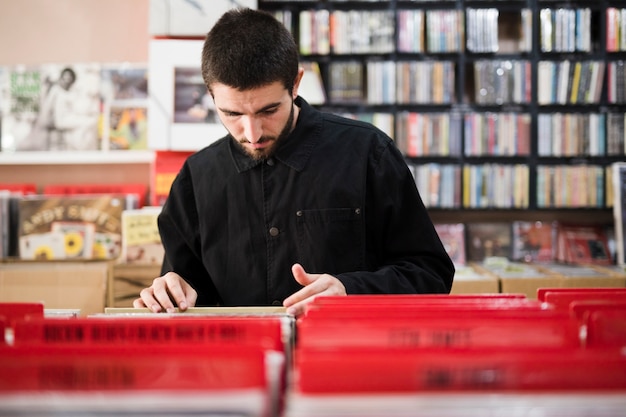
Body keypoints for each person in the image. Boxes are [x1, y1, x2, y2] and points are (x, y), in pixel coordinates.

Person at [134, 8, 455, 316]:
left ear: (296, 83)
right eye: (232, 114)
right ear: (211, 95)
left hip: (348, 358)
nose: (252, 133)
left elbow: (431, 274)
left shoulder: (368, 153)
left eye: (268, 111)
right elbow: (186, 292)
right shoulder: (196, 178)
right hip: (242, 363)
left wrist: (350, 289)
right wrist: (170, 291)